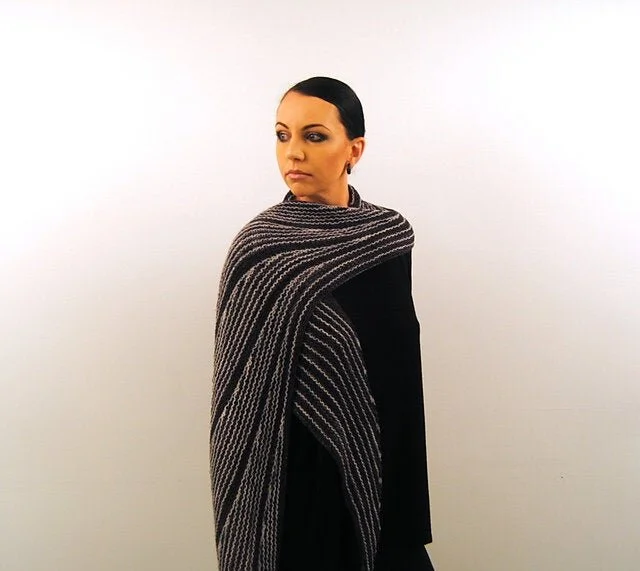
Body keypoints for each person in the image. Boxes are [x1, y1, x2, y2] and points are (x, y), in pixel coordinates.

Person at [210, 76, 434, 571]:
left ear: (354, 150)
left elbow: (401, 379)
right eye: (282, 135)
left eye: (314, 136)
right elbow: (239, 401)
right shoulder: (260, 252)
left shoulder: (389, 238)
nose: (293, 152)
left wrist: (405, 506)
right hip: (297, 496)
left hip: (386, 483)